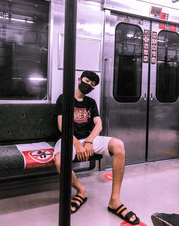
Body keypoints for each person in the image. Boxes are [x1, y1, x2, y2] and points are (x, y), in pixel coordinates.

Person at [54, 70, 140, 225]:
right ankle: (81, 191)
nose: (89, 85)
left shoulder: (91, 103)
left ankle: (114, 201)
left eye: (92, 85)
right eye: (87, 81)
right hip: (68, 138)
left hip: (88, 139)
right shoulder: (64, 99)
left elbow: (98, 124)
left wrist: (89, 142)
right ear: (79, 79)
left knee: (118, 145)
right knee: (60, 161)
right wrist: (77, 144)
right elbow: (62, 126)